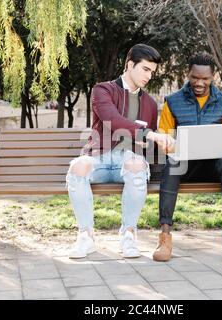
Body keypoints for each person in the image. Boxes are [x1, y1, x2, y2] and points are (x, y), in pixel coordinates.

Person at [66, 44, 174, 259]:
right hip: (100, 156)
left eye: (152, 72)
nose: (149, 76)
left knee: (135, 164)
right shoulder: (102, 90)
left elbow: (147, 143)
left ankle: (128, 235)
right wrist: (149, 134)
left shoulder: (150, 103)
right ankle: (86, 236)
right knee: (78, 166)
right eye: (145, 69)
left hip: (129, 160)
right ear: (130, 65)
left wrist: (154, 144)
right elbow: (111, 119)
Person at [153, 52, 222, 263]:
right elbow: (163, 134)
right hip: (185, 167)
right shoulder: (173, 101)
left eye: (205, 78)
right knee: (172, 165)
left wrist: (220, 150)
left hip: (213, 166)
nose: (199, 82)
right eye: (195, 77)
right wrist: (174, 147)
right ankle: (165, 237)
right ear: (188, 74)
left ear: (213, 77)